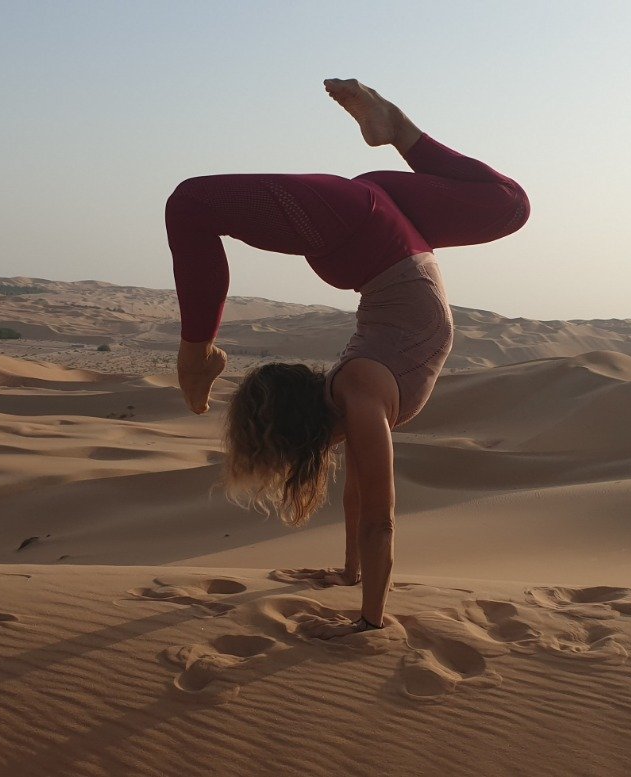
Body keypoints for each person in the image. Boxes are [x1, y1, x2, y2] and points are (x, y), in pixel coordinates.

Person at [165, 78, 529, 633]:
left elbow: (381, 522)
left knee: (189, 204)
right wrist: (349, 575)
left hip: (365, 225)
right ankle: (397, 130)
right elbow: (361, 499)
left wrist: (369, 624)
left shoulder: (358, 394)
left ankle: (197, 354)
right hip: (390, 228)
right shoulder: (355, 402)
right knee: (510, 206)